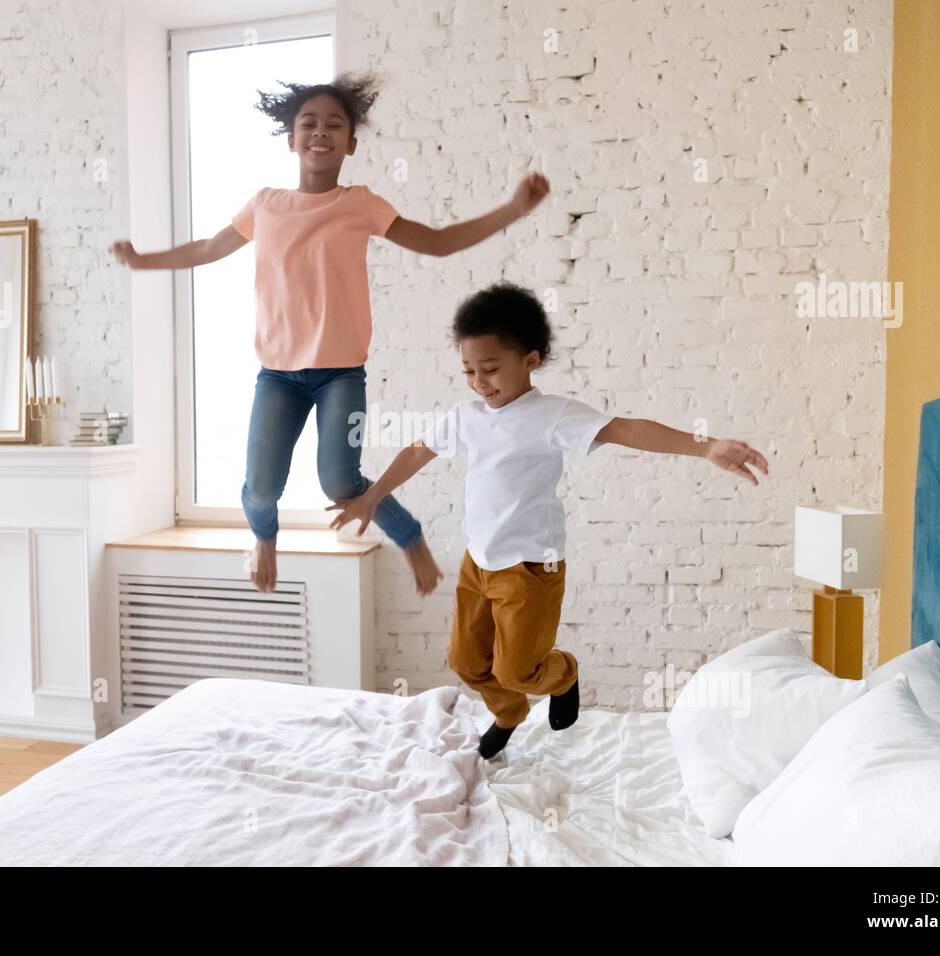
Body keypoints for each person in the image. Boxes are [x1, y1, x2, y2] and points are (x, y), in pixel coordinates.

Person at [110, 73, 550, 593]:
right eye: (309, 123)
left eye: (334, 124)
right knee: (260, 489)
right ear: (292, 139)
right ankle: (264, 539)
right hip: (277, 375)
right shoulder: (266, 204)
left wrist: (512, 210)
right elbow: (207, 249)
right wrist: (144, 261)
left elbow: (437, 242)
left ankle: (410, 538)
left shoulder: (360, 203)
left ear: (351, 143)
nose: (321, 132)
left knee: (341, 482)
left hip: (341, 373)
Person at [328, 282, 770, 758]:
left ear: (531, 360)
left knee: (518, 669)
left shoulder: (552, 415)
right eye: (469, 371)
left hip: (531, 568)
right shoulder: (466, 416)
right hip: (478, 563)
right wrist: (373, 496)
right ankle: (509, 713)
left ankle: (564, 673)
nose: (480, 382)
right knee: (465, 661)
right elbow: (419, 451)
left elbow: (625, 429)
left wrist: (705, 447)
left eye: (492, 369)